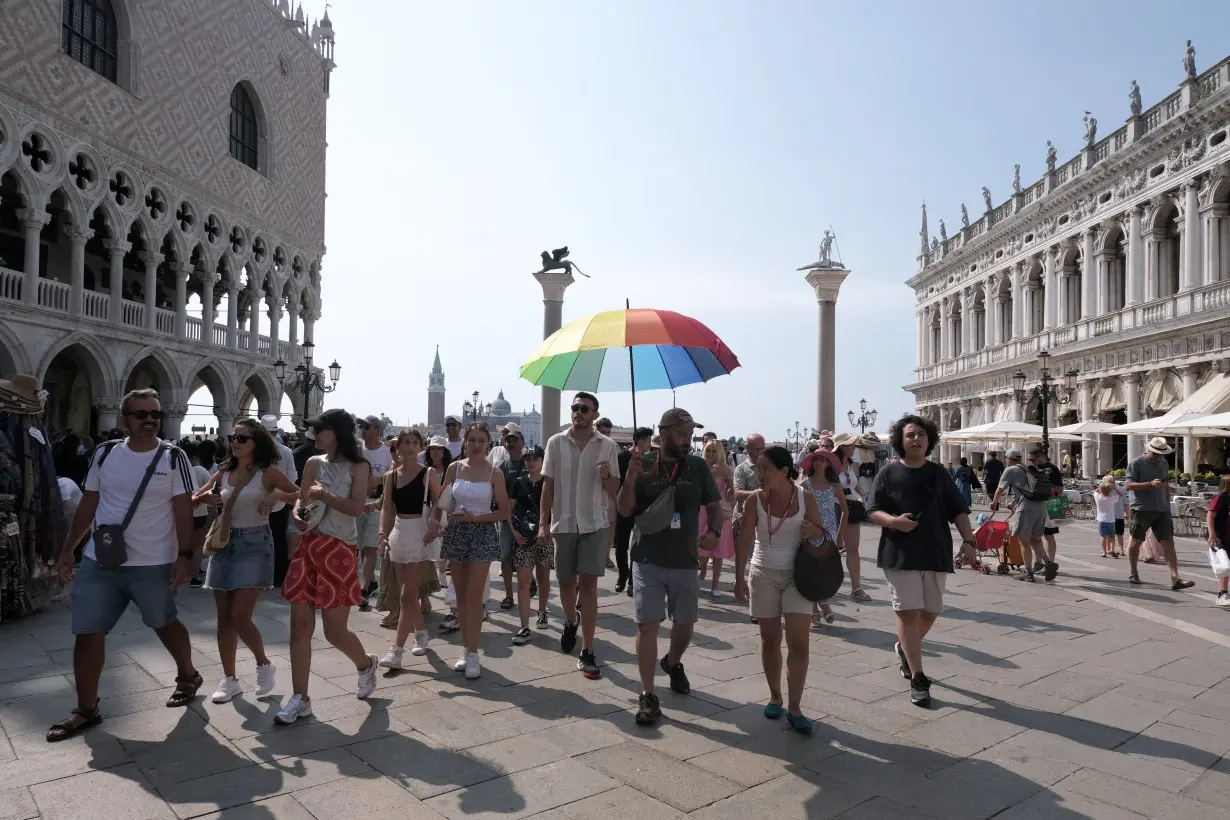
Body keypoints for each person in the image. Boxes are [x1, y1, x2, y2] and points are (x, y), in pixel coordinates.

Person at [49, 389, 201, 741]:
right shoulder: (104, 454)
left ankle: (187, 674)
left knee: (163, 621)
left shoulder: (173, 457)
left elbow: (183, 510)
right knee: (87, 631)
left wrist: (184, 556)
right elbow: (89, 504)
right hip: (101, 558)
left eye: (155, 415)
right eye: (140, 414)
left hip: (152, 561)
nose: (149, 420)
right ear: (124, 419)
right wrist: (70, 548)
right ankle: (86, 709)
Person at [617, 408, 721, 725]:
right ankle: (648, 695)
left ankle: (673, 662)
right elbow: (624, 509)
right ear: (663, 433)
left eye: (691, 433)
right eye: (681, 433)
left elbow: (715, 507)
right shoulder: (644, 463)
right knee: (647, 625)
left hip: (685, 559)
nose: (688, 439)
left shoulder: (698, 466)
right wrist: (631, 477)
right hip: (647, 556)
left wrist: (714, 532)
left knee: (685, 624)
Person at [277, 408, 378, 725]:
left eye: (321, 429)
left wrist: (327, 494)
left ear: (337, 432)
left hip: (339, 549)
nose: (315, 434)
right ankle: (300, 698)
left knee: (335, 631)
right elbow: (301, 498)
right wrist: (296, 512)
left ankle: (364, 665)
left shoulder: (358, 466)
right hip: (310, 545)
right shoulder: (311, 463)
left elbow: (357, 508)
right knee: (300, 627)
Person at [867, 414, 976, 708]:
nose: (917, 439)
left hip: (935, 550)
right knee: (908, 612)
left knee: (931, 610)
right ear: (900, 441)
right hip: (900, 552)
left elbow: (959, 510)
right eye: (910, 435)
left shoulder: (939, 473)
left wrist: (969, 541)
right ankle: (918, 676)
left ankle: (905, 647)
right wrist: (893, 521)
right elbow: (873, 510)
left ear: (929, 440)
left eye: (921, 435)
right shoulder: (888, 473)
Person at [192, 419, 299, 703]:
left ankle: (263, 663)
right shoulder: (223, 472)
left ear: (256, 443)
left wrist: (274, 496)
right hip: (225, 544)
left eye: (242, 439)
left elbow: (298, 495)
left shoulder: (268, 472)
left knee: (240, 615)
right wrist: (207, 499)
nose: (235, 443)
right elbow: (194, 498)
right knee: (224, 619)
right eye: (233, 438)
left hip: (255, 543)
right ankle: (230, 679)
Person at [734, 445, 826, 733]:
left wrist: (815, 532)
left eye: (765, 469)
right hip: (763, 574)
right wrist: (739, 577)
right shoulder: (754, 502)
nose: (759, 474)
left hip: (798, 575)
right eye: (757, 468)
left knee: (800, 643)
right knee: (770, 640)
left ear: (784, 471)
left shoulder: (805, 498)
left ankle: (795, 707)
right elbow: (745, 540)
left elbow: (821, 535)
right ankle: (775, 696)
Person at [539, 392, 620, 680]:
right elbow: (547, 486)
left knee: (588, 587)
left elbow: (615, 492)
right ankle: (571, 620)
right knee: (565, 583)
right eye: (575, 408)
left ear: (595, 414)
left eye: (584, 408)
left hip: (594, 525)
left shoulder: (607, 446)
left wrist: (608, 475)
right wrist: (542, 523)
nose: (578, 412)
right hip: (563, 524)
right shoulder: (556, 442)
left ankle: (587, 649)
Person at [428, 423, 510, 679]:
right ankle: (466, 648)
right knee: (461, 597)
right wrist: (434, 520)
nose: (476, 445)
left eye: (482, 441)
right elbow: (441, 501)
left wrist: (476, 517)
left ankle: (473, 652)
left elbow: (504, 512)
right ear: (465, 441)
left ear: (489, 443)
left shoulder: (494, 473)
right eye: (472, 440)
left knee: (475, 596)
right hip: (457, 532)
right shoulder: (454, 468)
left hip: (482, 532)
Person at [375, 429, 439, 667]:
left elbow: (439, 503)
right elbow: (387, 508)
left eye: (415, 442)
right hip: (399, 532)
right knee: (408, 593)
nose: (411, 447)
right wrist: (382, 533)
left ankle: (397, 649)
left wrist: (434, 522)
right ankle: (421, 633)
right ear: (398, 447)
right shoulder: (391, 476)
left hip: (419, 533)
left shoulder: (428, 473)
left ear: (421, 447)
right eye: (406, 443)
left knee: (406, 595)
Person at [1125, 437, 1195, 590]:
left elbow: (1165, 484)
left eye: (1161, 454)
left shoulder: (1163, 463)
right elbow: (1128, 486)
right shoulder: (1136, 463)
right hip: (1142, 508)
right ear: (1149, 449)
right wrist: (1149, 484)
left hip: (1162, 509)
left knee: (1168, 542)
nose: (1158, 456)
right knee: (1136, 540)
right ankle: (1133, 572)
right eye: (1156, 453)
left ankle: (1175, 578)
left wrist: (1167, 501)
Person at [509, 446, 553, 642]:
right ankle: (524, 626)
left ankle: (542, 610)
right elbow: (508, 511)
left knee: (543, 579)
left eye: (535, 458)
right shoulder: (518, 483)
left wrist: (549, 528)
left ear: (543, 460)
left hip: (544, 538)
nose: (531, 462)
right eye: (528, 458)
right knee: (523, 582)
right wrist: (514, 532)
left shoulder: (549, 482)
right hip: (524, 538)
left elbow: (556, 508)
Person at [798, 449, 844, 626]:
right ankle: (819, 607)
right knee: (811, 570)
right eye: (815, 460)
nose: (818, 463)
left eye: (822, 460)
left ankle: (820, 605)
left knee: (824, 570)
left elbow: (845, 511)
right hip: (810, 531)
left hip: (829, 533)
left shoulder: (834, 485)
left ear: (828, 464)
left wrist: (840, 535)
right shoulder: (804, 485)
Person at [991, 448, 1046, 583]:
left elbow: (999, 490)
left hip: (1026, 509)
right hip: (1040, 507)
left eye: (1006, 458)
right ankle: (1049, 563)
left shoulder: (1010, 470)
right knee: (1036, 539)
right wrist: (1014, 502)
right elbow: (1027, 490)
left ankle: (1028, 573)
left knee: (1023, 541)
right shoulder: (1028, 468)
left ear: (1009, 459)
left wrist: (994, 503)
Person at [357, 415, 392, 610]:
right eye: (361, 426)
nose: (363, 429)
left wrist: (378, 482)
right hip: (358, 505)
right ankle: (370, 581)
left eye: (366, 426)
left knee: (370, 547)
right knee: (363, 547)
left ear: (377, 429)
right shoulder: (358, 450)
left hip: (377, 505)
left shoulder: (387, 451)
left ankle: (363, 589)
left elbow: (392, 476)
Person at [259, 415, 298, 587]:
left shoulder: (256, 452)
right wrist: (281, 494)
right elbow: (292, 477)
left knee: (264, 540)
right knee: (278, 539)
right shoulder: (286, 451)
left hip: (262, 502)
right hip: (278, 502)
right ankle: (278, 576)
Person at [615, 427, 654, 596]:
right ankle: (622, 574)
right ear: (640, 441)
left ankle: (632, 580)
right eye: (648, 441)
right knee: (621, 545)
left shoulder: (649, 458)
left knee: (637, 546)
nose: (649, 445)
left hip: (641, 507)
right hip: (624, 505)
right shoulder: (623, 457)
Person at [495, 423, 529, 611]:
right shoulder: (501, 467)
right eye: (508, 441)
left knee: (526, 556)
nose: (511, 444)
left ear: (522, 443)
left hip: (527, 518)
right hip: (506, 519)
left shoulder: (530, 463)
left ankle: (528, 585)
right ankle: (509, 595)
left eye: (515, 440)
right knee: (506, 556)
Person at [697, 440, 735, 598]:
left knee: (718, 550)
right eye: (709, 450)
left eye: (714, 451)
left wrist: (729, 481)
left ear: (720, 453)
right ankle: (703, 568)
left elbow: (732, 493)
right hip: (702, 509)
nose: (711, 454)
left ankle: (715, 585)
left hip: (719, 510)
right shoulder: (699, 467)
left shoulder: (725, 469)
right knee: (700, 544)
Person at [834, 443, 872, 603]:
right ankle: (825, 588)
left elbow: (853, 486)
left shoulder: (851, 464)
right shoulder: (831, 464)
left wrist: (861, 497)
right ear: (841, 446)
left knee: (853, 547)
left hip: (851, 507)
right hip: (834, 506)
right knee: (831, 547)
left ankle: (856, 588)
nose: (853, 447)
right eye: (850, 444)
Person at [597, 417, 617, 570]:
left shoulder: (613, 446)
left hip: (608, 491)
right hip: (592, 493)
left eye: (608, 432)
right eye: (602, 432)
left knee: (610, 525)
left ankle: (606, 555)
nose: (605, 435)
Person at [1206, 474, 1230, 607]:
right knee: (1224, 565)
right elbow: (1210, 514)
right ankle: (1222, 593)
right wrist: (1212, 533)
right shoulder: (1220, 498)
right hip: (1222, 535)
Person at [1094, 476, 1122, 558]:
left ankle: (1104, 551)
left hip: (1101, 519)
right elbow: (1120, 495)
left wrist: (1102, 485)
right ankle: (1111, 549)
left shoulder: (1098, 497)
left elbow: (1096, 491)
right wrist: (1115, 488)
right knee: (1112, 536)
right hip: (1111, 519)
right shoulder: (1112, 498)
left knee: (1103, 537)